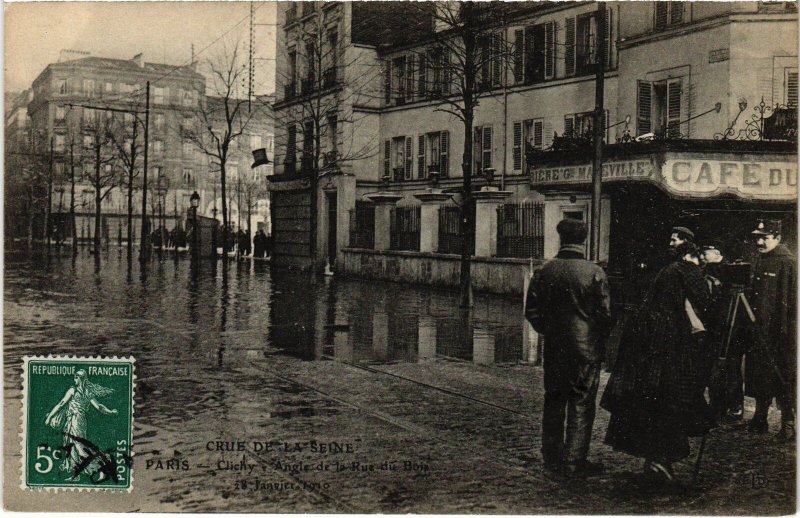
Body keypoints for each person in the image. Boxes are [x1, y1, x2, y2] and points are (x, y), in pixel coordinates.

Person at [601, 231, 712, 484]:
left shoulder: (671, 271)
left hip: (655, 351)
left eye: (675, 241)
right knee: (666, 404)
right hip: (668, 351)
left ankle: (657, 460)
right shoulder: (686, 272)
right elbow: (701, 309)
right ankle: (659, 460)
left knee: (655, 404)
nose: (670, 244)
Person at [525, 219, 612, 477]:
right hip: (585, 349)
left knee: (554, 399)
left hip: (555, 346)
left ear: (561, 238)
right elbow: (607, 315)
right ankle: (575, 461)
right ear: (584, 240)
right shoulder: (595, 272)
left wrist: (551, 330)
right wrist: (594, 337)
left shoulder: (545, 271)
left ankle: (551, 455)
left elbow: (532, 311)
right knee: (582, 402)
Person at [745, 220, 796, 442]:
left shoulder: (789, 263)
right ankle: (760, 418)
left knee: (783, 376)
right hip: (760, 331)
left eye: (764, 237)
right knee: (760, 375)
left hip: (781, 335)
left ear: (777, 238)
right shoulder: (761, 260)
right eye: (757, 237)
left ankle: (788, 424)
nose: (759, 241)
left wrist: (788, 334)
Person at [44, 370, 118, 480]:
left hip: (75, 420)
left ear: (80, 378)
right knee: (75, 445)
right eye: (75, 376)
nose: (74, 378)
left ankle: (94, 467)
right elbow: (99, 407)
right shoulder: (88, 392)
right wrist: (110, 412)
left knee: (77, 446)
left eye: (76, 377)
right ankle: (76, 470)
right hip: (80, 421)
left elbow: (61, 404)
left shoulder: (72, 390)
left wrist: (50, 416)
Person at [700, 242, 744, 423]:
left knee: (731, 369)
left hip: (731, 328)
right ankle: (716, 406)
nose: (702, 256)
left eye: (705, 253)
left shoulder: (731, 271)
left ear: (716, 253)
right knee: (713, 369)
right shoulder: (705, 272)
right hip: (712, 328)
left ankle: (735, 407)